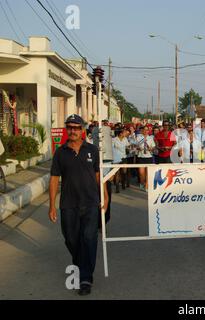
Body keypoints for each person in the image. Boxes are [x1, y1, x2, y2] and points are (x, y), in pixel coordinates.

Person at [48, 114, 108, 296]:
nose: (73, 131)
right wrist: (52, 205)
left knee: (89, 239)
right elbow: (53, 180)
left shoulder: (92, 150)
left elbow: (98, 176)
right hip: (68, 204)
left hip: (90, 203)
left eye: (76, 127)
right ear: (67, 129)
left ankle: (85, 278)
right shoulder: (60, 152)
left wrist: (104, 194)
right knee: (71, 239)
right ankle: (82, 265)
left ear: (82, 130)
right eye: (70, 127)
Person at [136, 126, 156, 191]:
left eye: (147, 130)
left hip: (149, 157)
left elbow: (153, 146)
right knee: (141, 173)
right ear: (142, 131)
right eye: (144, 130)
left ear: (148, 131)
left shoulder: (150, 138)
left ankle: (147, 186)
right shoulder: (139, 137)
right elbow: (135, 146)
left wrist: (151, 148)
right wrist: (138, 148)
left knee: (148, 173)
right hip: (141, 157)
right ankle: (142, 183)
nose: (145, 131)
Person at [111, 128, 130, 193]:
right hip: (116, 158)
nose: (126, 133)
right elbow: (112, 148)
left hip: (124, 157)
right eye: (124, 132)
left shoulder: (125, 139)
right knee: (117, 172)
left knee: (124, 171)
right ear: (120, 133)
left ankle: (123, 183)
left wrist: (131, 147)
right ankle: (117, 187)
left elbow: (128, 146)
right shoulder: (114, 139)